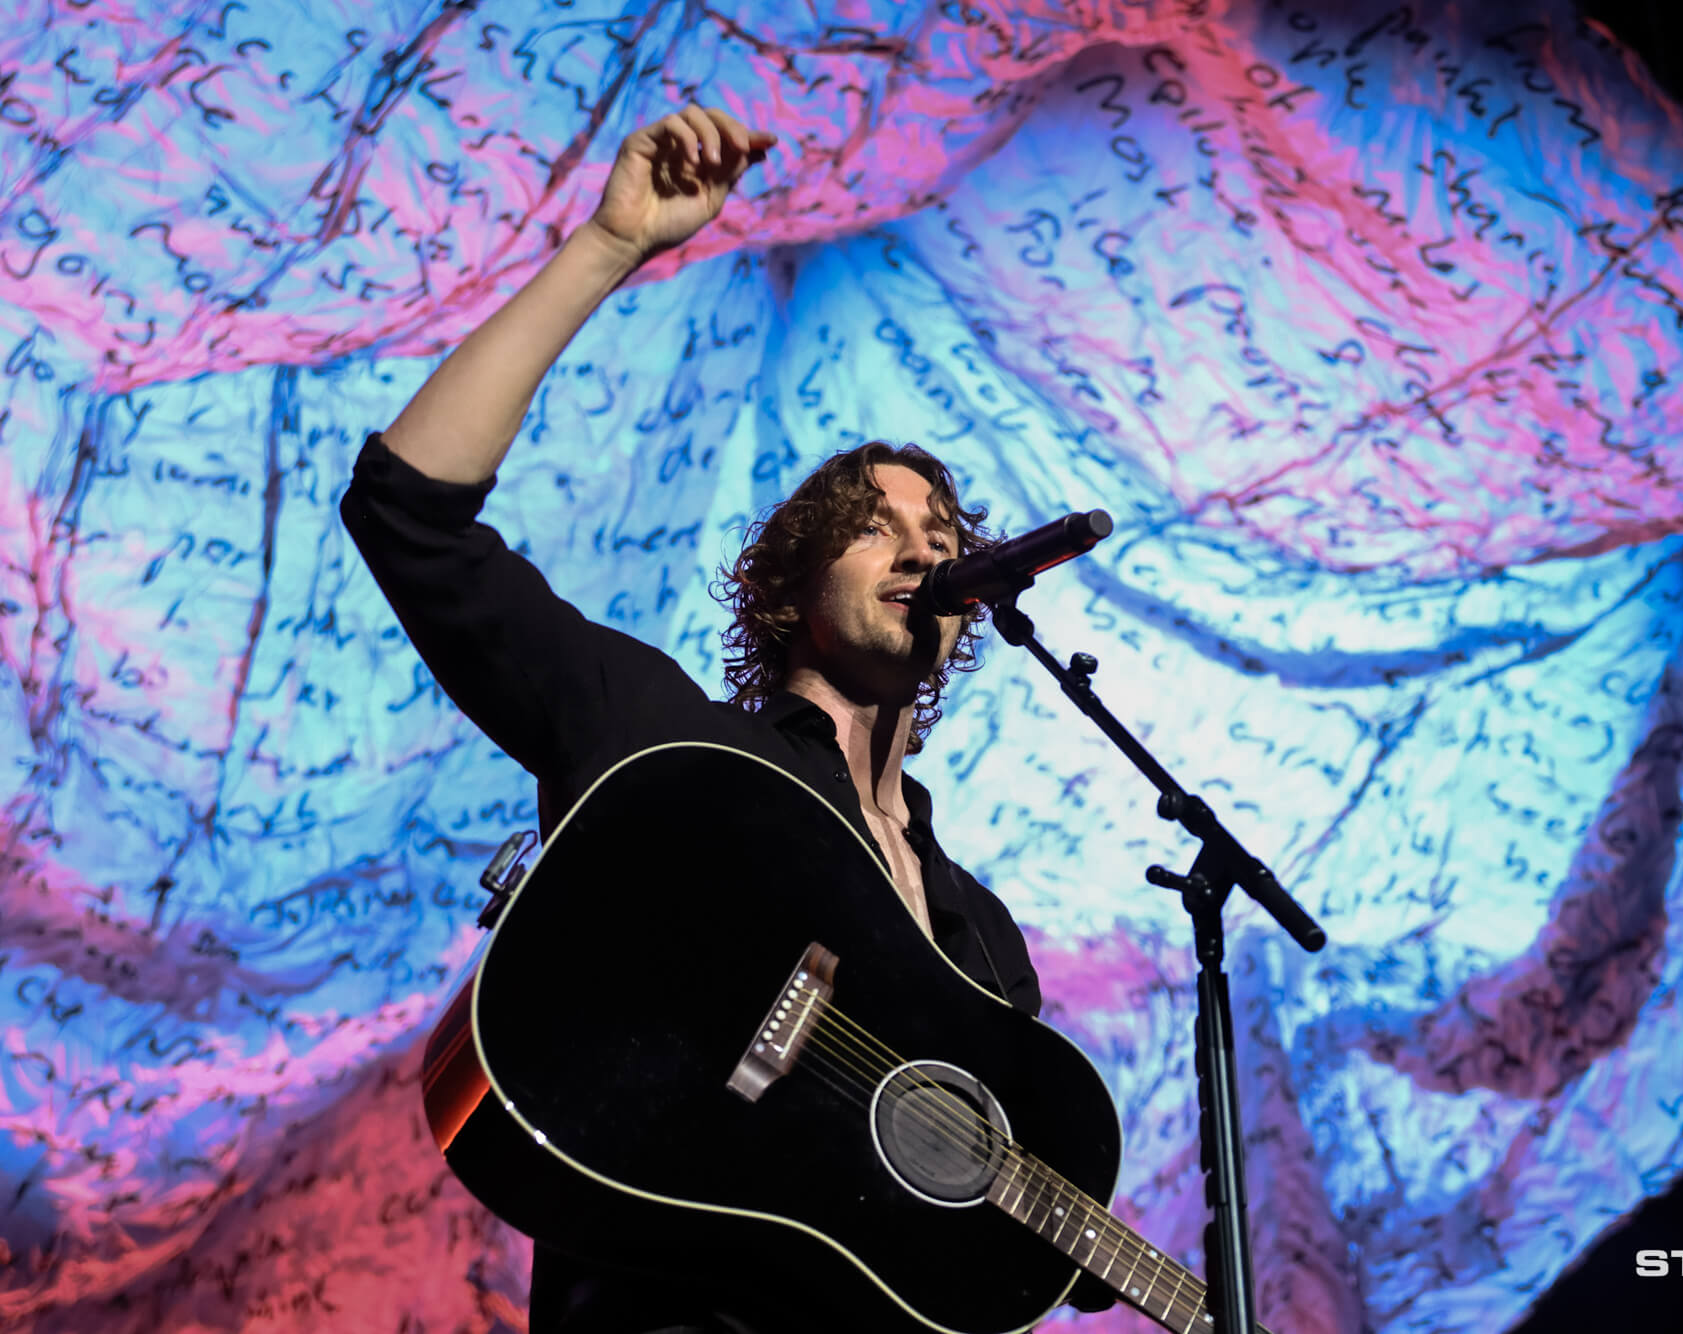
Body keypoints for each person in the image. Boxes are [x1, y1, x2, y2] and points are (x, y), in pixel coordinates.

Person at [339, 106, 1116, 1332]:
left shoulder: (981, 936)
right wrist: (605, 243)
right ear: (788, 586)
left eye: (947, 535)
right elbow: (409, 517)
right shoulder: (676, 750)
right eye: (881, 524)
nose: (928, 543)